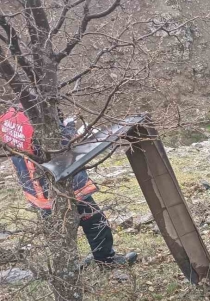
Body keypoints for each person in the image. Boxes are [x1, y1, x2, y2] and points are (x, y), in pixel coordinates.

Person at [0, 106, 137, 266]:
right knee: (95, 222)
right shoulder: (40, 114)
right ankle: (105, 259)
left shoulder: (10, 117)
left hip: (36, 190)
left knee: (57, 232)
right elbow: (60, 147)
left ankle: (66, 269)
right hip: (63, 185)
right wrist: (70, 127)